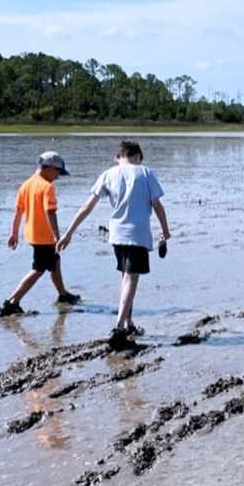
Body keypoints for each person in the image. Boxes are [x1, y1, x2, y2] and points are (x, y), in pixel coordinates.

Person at [58, 141, 170, 346]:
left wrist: (68, 233)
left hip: (116, 236)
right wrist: (165, 231)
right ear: (138, 157)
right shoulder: (145, 173)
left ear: (118, 157)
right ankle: (119, 328)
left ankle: (128, 323)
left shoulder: (108, 174)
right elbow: (158, 206)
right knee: (130, 279)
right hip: (137, 235)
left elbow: (87, 206)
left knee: (125, 278)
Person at [0, 151, 80, 316]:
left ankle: (63, 295)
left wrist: (14, 233)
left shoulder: (26, 184)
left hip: (32, 234)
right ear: (49, 168)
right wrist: (58, 237)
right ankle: (11, 302)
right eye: (58, 172)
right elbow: (51, 213)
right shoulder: (47, 187)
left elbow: (19, 211)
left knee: (54, 261)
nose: (57, 177)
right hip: (44, 236)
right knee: (38, 269)